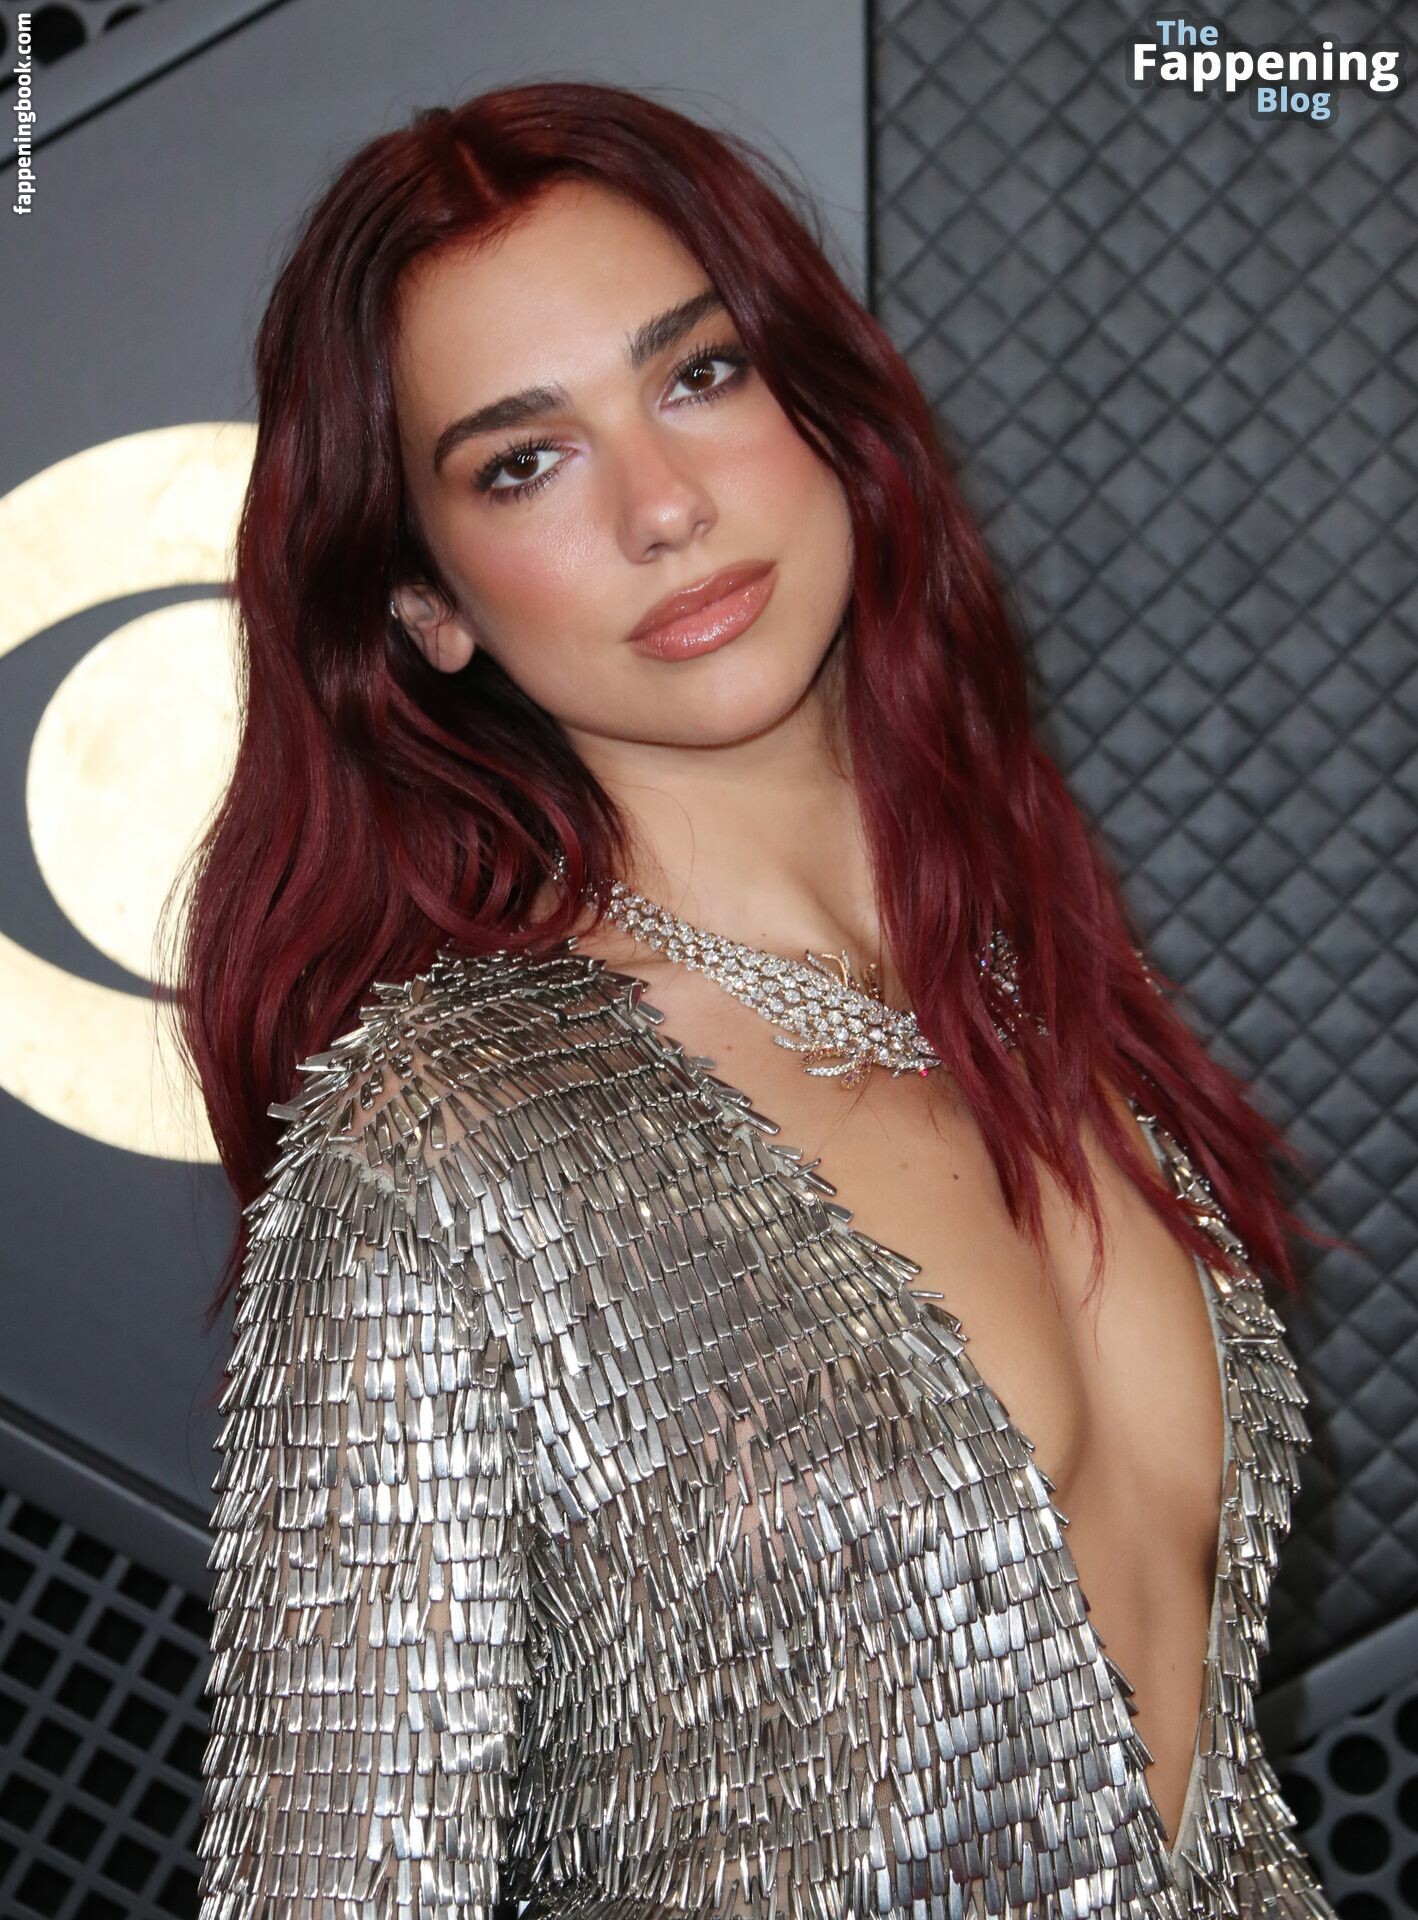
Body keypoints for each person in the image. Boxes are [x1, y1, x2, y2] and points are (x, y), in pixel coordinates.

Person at [180, 78, 1338, 1920]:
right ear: (424, 605)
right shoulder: (445, 1144)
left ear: (821, 404)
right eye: (522, 461)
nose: (663, 505)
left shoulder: (1039, 988)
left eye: (698, 375)